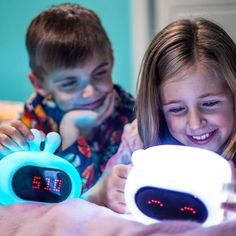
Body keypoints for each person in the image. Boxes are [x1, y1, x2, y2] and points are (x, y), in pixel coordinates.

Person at [94, 18, 236, 216]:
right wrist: (101, 193)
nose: (195, 124)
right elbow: (84, 203)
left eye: (210, 103)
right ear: (158, 109)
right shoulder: (139, 142)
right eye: (177, 109)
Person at [0, 3, 135, 194]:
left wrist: (72, 133)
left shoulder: (131, 116)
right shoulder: (37, 116)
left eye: (100, 73)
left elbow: (87, 196)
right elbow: (44, 192)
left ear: (111, 61)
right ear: (39, 84)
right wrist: (9, 149)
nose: (90, 91)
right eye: (69, 83)